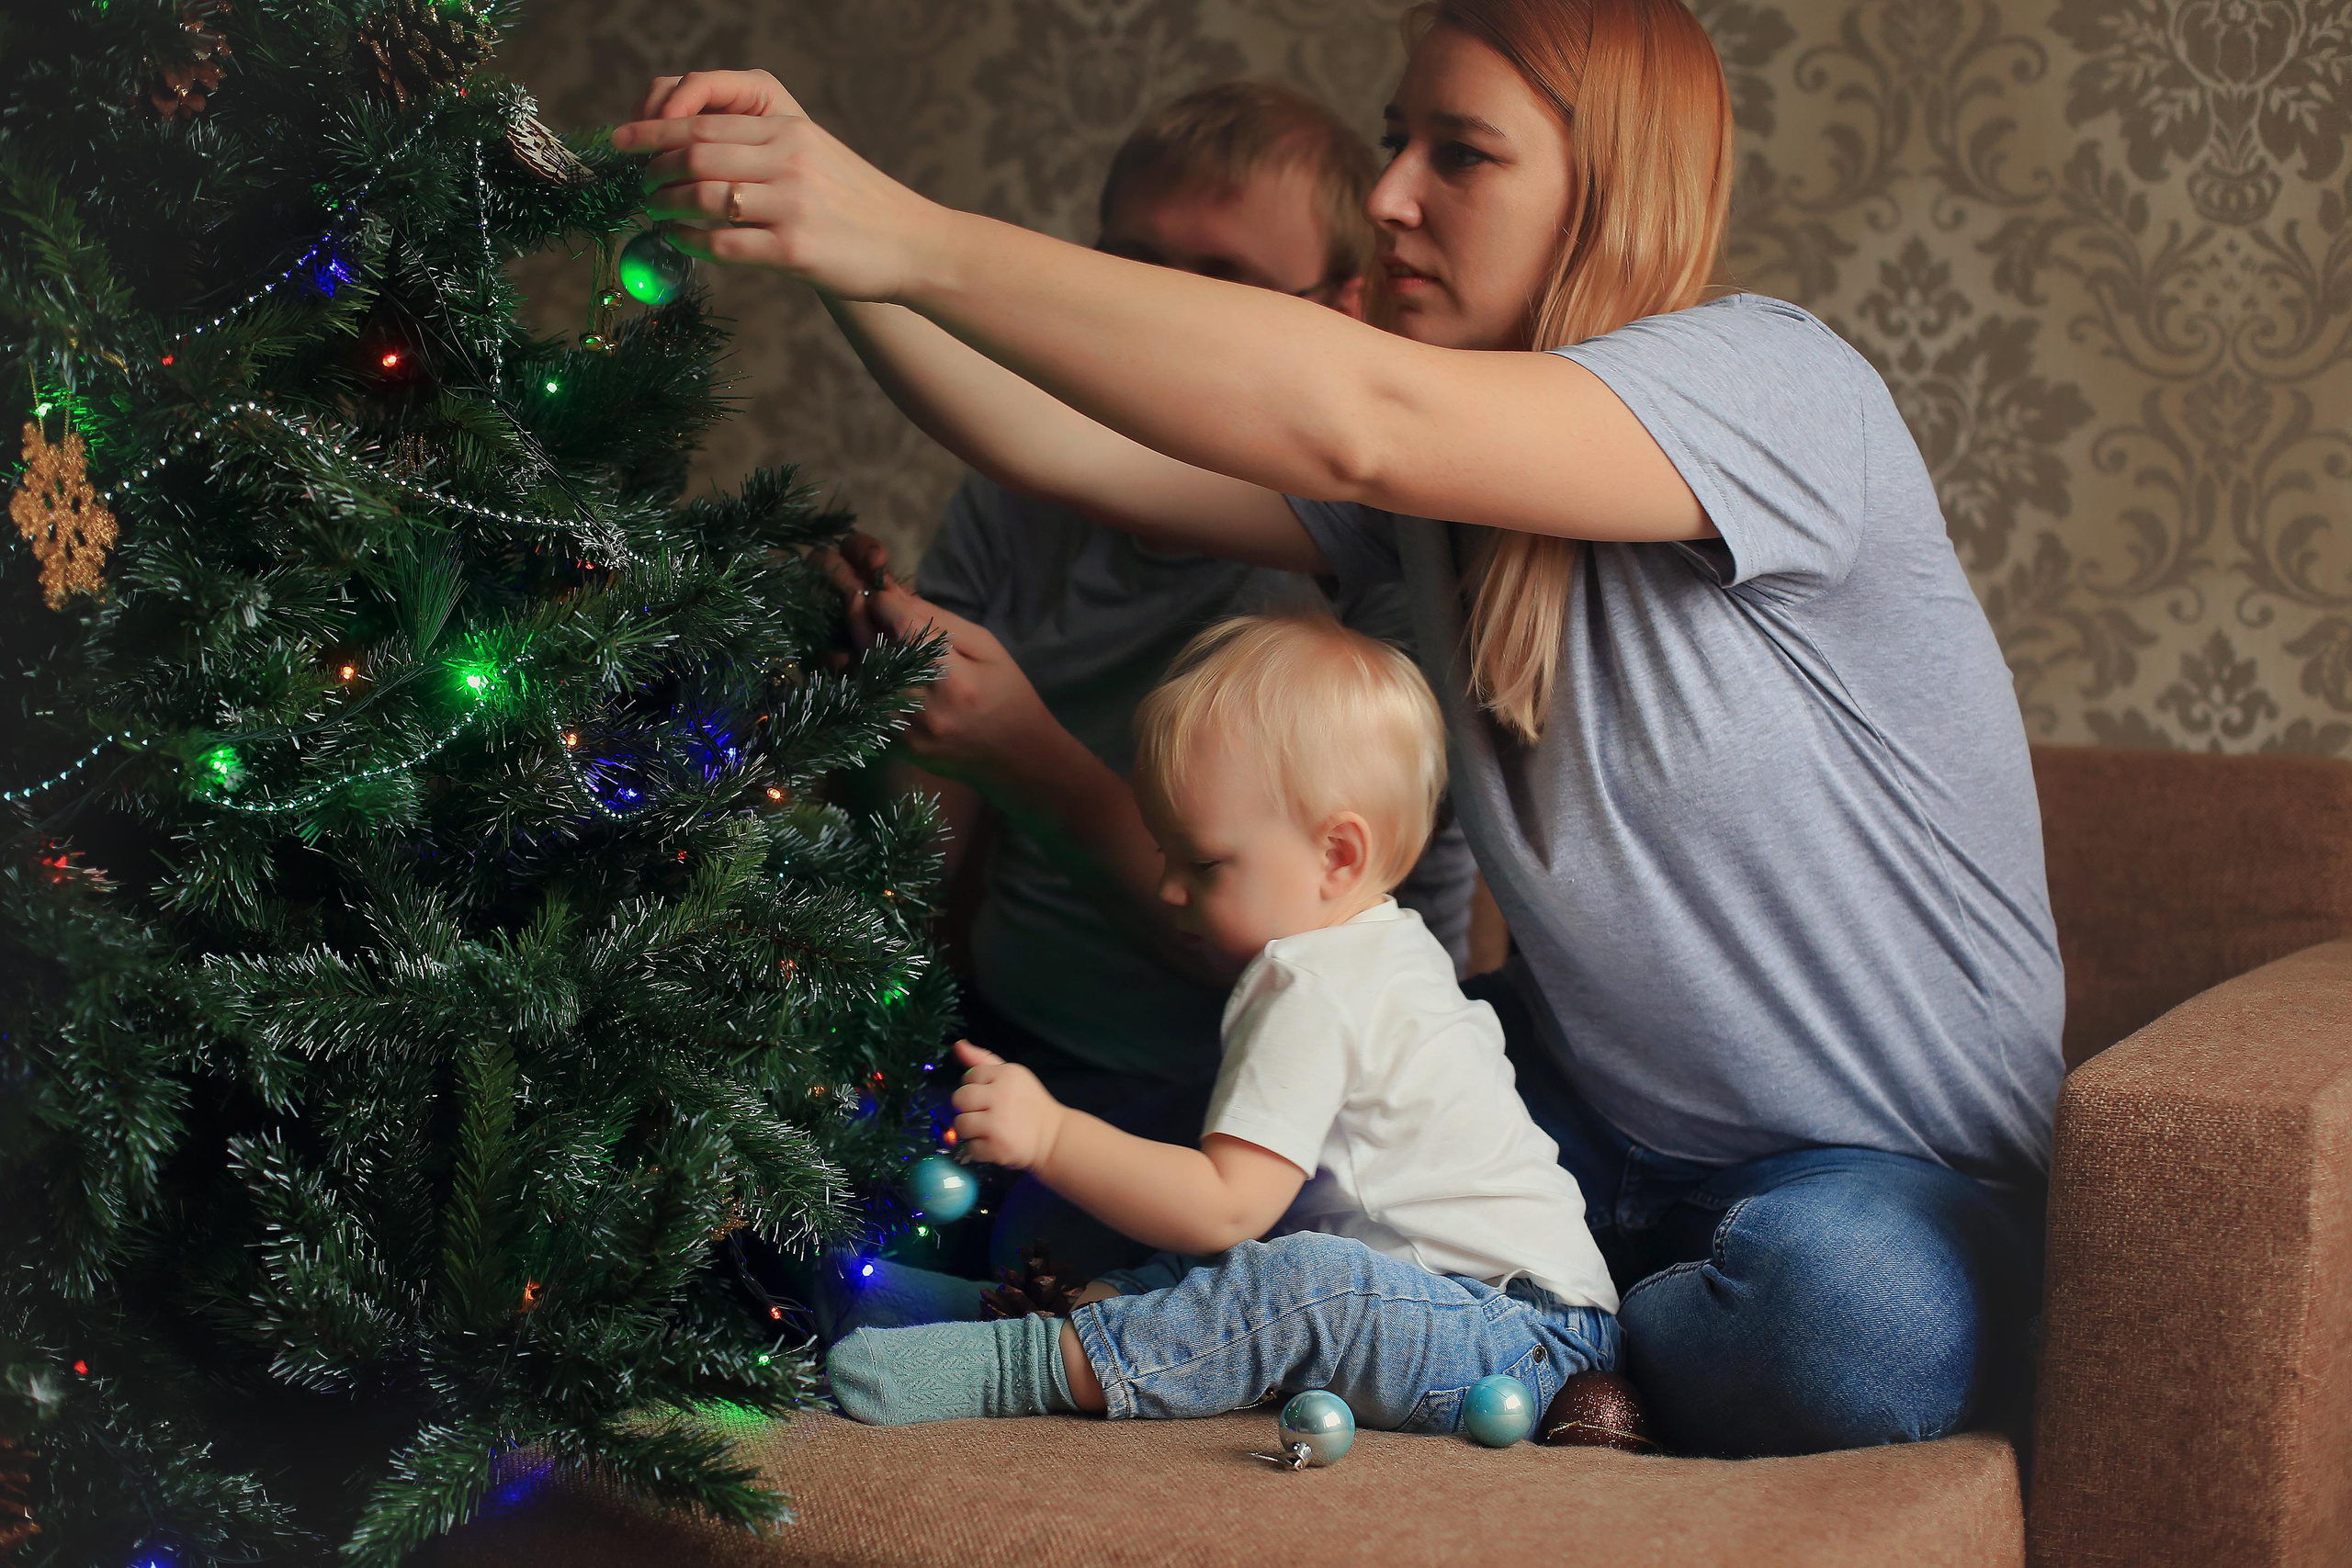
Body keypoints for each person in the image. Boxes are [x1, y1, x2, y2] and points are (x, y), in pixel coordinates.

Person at [616, 0, 2064, 1458]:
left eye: (1462, 155)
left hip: (1872, 1175)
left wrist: (908, 229)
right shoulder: (1414, 516)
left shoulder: (1780, 386)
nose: (1389, 198)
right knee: (1235, 1117)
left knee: (1859, 1328)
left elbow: (1361, 410)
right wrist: (826, 249)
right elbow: (1058, 435)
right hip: (1574, 1135)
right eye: (1392, 142)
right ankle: (1393, 1327)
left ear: (1607, 192)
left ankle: (1490, 1335)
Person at [822, 82, 1476, 1284]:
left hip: (1242, 1103)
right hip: (1005, 1030)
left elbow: (1343, 964)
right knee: (807, 1229)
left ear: (1343, 305)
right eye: (1131, 270)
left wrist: (1027, 755)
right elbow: (918, 859)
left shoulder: (1366, 565)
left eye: (1219, 282)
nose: (1161, 317)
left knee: (1048, 1268)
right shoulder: (1021, 496)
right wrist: (892, 695)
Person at [823, 614, 1618, 1432]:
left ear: (1336, 856)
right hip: (1480, 1320)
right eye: (1164, 853)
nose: (1168, 889)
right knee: (1223, 1263)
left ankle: (1024, 1364)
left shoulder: (1314, 980)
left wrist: (1053, 1134)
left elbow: (1222, 1204)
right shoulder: (1378, 948)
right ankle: (1023, 1312)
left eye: (1200, 861)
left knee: (1298, 1282)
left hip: (1519, 1338)